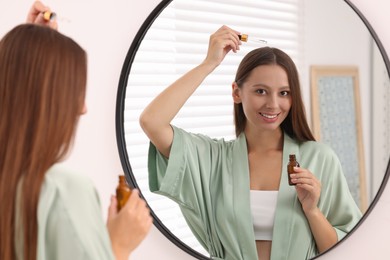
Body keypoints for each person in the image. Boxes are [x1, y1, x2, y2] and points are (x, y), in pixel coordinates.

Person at [140, 25, 362, 260]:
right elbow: (152, 121)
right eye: (261, 91)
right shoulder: (213, 160)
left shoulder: (320, 159)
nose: (273, 104)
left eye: (284, 93)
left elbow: (346, 248)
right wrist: (209, 63)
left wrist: (312, 211)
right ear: (237, 93)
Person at [0, 2, 152, 260]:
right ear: (48, 98)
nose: (83, 109)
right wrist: (117, 247)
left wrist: (21, 61)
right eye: (76, 91)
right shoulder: (64, 190)